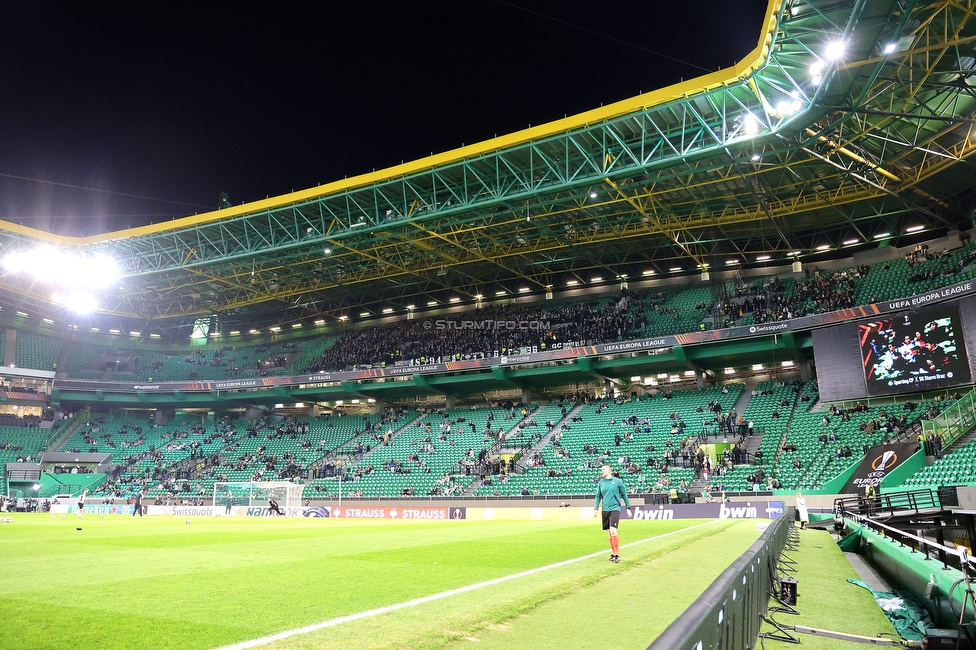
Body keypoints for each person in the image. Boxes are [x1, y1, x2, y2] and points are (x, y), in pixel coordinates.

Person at [593, 464, 631, 563]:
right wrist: (596, 508)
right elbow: (598, 496)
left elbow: (624, 494)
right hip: (605, 509)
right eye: (601, 469)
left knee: (613, 530)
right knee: (609, 533)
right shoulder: (601, 483)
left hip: (615, 508)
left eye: (604, 469)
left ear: (609, 470)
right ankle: (613, 553)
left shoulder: (617, 482)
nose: (602, 471)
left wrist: (628, 507)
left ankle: (617, 554)